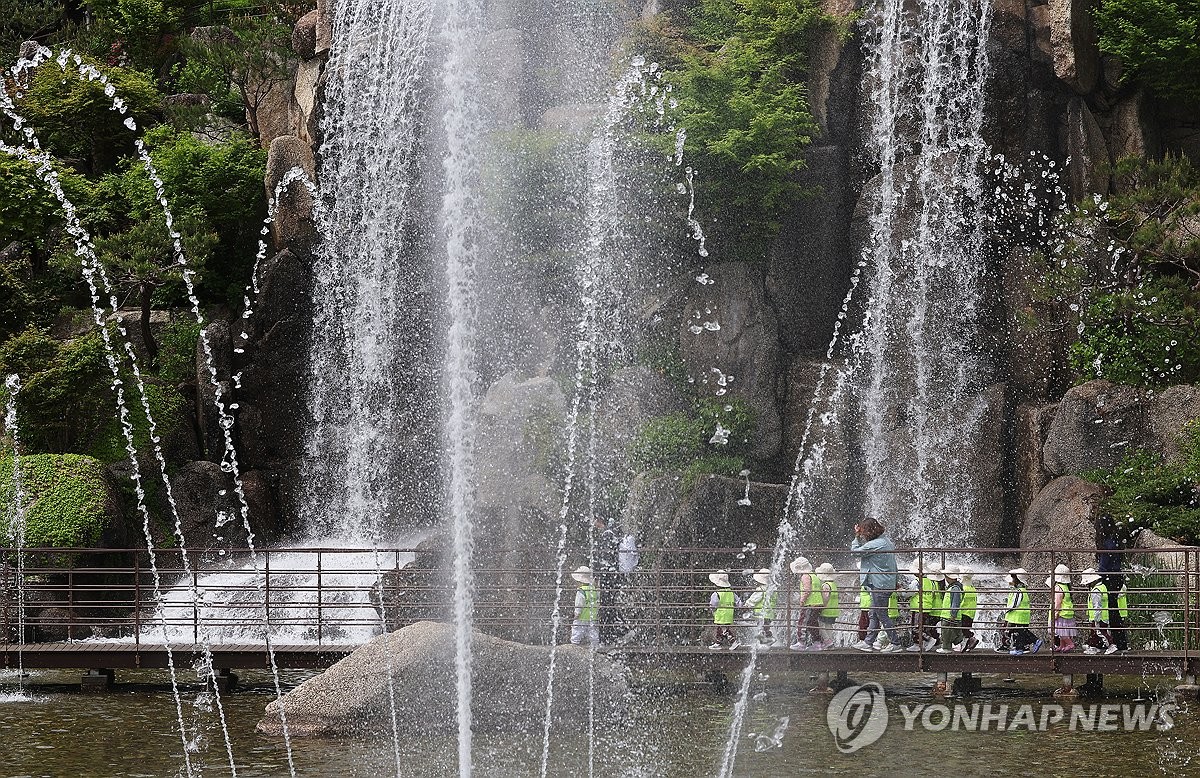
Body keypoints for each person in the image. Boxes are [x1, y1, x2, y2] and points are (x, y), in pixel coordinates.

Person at [849, 518, 901, 653]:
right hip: (884, 582)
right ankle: (868, 642)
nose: (864, 534)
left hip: (880, 584)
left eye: (864, 531)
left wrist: (856, 537)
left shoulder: (876, 544)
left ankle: (895, 643)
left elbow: (855, 552)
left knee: (881, 614)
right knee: (874, 613)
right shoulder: (886, 541)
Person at [1002, 568, 1042, 655]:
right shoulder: (1024, 590)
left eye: (1013, 578)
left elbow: (1015, 604)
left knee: (1021, 631)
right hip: (1023, 615)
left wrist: (1006, 609)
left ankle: (1035, 640)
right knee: (1021, 632)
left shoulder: (1019, 591)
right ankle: (1020, 648)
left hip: (1018, 616)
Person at [1081, 568, 1118, 654]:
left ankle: (1111, 645)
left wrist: (1097, 618)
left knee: (1101, 632)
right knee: (1095, 632)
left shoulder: (1096, 591)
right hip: (1103, 614)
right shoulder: (1102, 587)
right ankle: (1094, 646)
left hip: (1099, 616)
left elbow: (1097, 606)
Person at [906, 563, 940, 652]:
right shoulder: (930, 582)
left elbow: (909, 593)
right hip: (927, 607)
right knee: (922, 626)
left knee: (915, 627)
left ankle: (925, 640)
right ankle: (922, 642)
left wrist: (901, 592)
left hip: (917, 607)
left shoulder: (916, 582)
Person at [790, 557, 821, 650]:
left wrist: (802, 600)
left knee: (802, 622)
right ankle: (817, 643)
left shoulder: (805, 576)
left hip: (810, 604)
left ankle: (801, 642)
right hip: (818, 603)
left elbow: (807, 590)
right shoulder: (814, 576)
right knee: (813, 623)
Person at [1045, 563, 1077, 653]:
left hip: (1061, 612)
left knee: (1060, 631)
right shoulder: (1066, 587)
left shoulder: (1058, 587)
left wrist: (1055, 612)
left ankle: (1070, 644)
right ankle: (1062, 645)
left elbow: (1058, 602)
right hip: (1067, 612)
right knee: (1064, 631)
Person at [707, 569, 742, 650]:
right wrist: (740, 607)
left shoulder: (716, 594)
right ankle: (718, 643)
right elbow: (739, 602)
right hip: (729, 614)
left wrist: (712, 610)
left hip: (720, 614)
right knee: (721, 629)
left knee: (724, 630)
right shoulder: (731, 592)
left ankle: (733, 642)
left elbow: (713, 605)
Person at [745, 568, 777, 645]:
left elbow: (754, 599)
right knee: (766, 627)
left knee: (760, 628)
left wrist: (747, 605)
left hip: (761, 613)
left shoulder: (761, 589)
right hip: (770, 613)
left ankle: (765, 642)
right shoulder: (773, 589)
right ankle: (768, 640)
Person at [570, 565, 600, 646]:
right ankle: (595, 646)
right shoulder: (594, 589)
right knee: (593, 632)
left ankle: (574, 644)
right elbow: (597, 602)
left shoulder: (581, 591)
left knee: (577, 631)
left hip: (581, 617)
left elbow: (579, 604)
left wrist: (577, 613)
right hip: (592, 617)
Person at [936, 567, 964, 653]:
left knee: (947, 633)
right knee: (951, 632)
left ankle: (946, 648)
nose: (946, 579)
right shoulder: (954, 587)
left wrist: (953, 614)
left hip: (949, 616)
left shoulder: (955, 588)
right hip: (948, 615)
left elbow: (955, 602)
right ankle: (960, 642)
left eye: (947, 577)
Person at [813, 562, 839, 650]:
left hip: (826, 610)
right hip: (834, 609)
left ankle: (827, 641)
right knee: (829, 626)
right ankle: (830, 643)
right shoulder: (834, 585)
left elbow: (825, 597)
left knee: (821, 626)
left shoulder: (826, 586)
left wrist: (821, 607)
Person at [957, 567, 979, 652]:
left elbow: (959, 601)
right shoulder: (972, 589)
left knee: (961, 630)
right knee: (966, 629)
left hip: (963, 612)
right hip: (971, 613)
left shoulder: (963, 589)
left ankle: (970, 639)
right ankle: (970, 641)